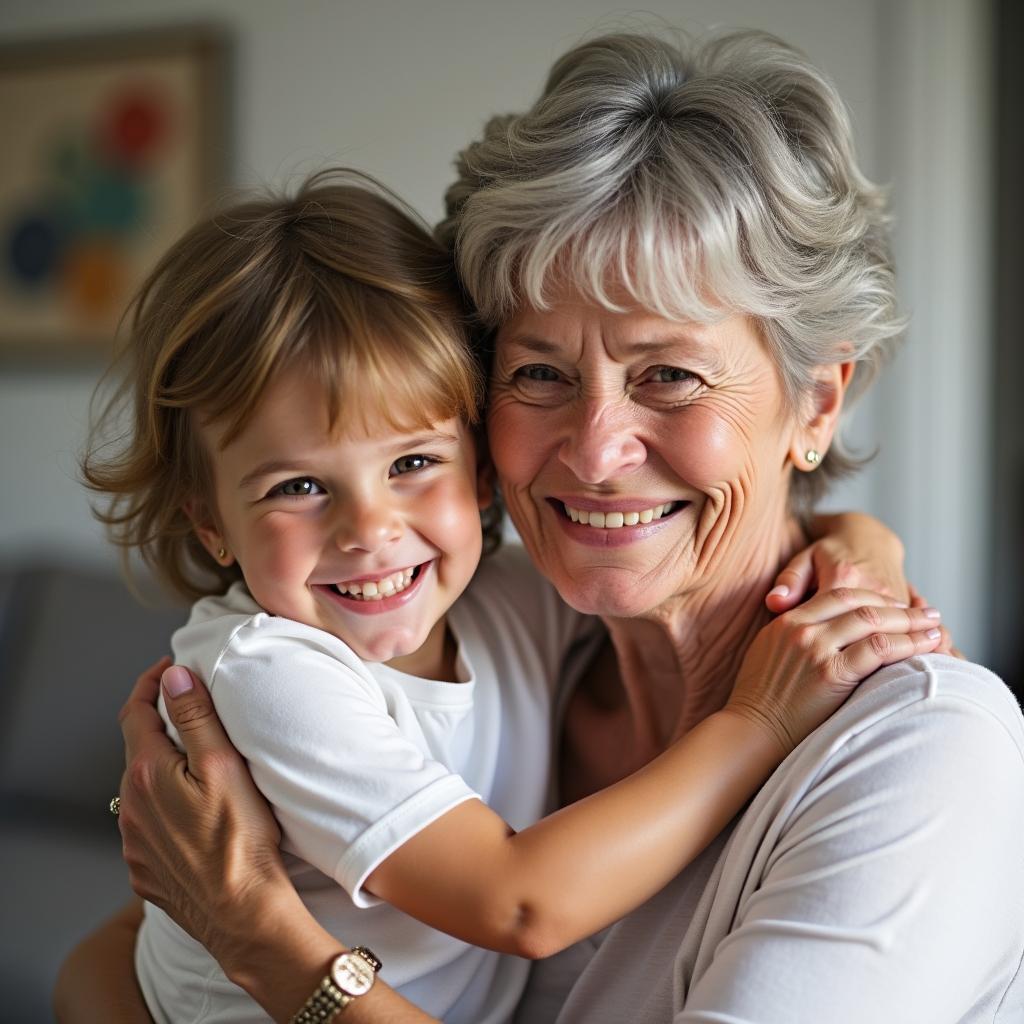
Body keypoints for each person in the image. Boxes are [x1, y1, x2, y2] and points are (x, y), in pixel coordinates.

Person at [58, 28, 1024, 1024]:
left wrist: (273, 949)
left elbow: (229, 934)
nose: (596, 449)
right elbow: (105, 968)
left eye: (670, 375)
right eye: (539, 373)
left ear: (816, 404)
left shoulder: (916, 752)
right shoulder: (530, 643)